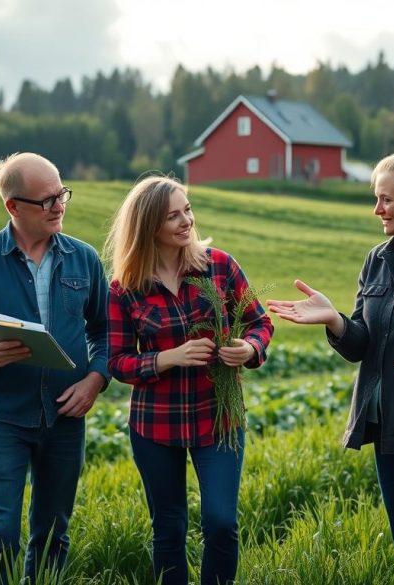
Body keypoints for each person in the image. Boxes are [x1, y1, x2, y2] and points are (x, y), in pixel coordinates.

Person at [267, 145, 394, 585]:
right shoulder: (377, 260)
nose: (377, 209)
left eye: (386, 199)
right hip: (384, 422)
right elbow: (362, 345)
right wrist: (335, 320)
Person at [0, 152, 110, 585]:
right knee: (1, 535)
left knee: (53, 535)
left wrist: (95, 379)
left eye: (62, 194)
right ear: (13, 206)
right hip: (2, 416)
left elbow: (107, 334)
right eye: (46, 200)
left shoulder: (83, 259)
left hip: (67, 415)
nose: (59, 206)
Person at [104, 175, 273, 585]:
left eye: (188, 210)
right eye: (173, 216)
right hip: (155, 425)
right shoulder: (125, 287)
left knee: (220, 522)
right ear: (148, 226)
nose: (186, 221)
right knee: (169, 527)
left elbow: (259, 322)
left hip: (218, 418)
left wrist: (249, 349)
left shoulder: (219, 266)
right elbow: (118, 361)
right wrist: (165, 359)